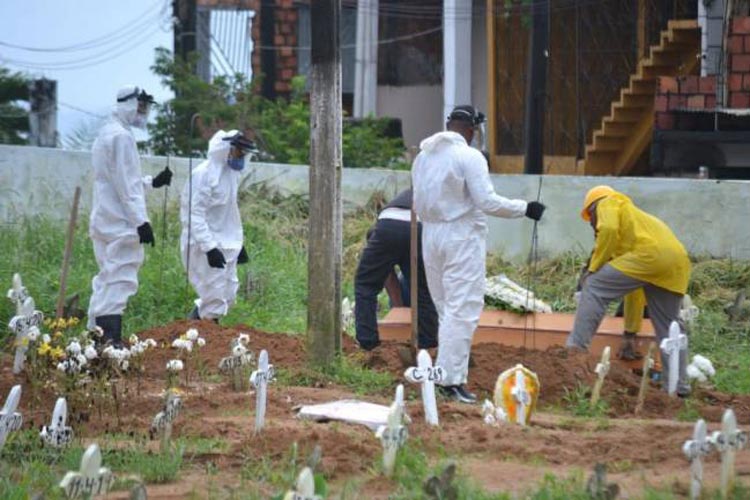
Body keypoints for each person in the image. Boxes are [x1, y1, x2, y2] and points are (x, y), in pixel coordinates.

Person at [412, 105, 546, 403]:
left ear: (449, 124)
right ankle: (450, 382)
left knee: (447, 308)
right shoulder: (469, 156)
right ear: (472, 130)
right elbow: (486, 200)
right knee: (463, 309)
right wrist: (525, 208)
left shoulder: (423, 156)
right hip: (460, 234)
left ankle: (442, 376)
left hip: (430, 235)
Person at [566, 185, 692, 396]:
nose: (594, 226)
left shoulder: (608, 201)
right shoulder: (636, 228)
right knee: (670, 328)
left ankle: (574, 352)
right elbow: (635, 293)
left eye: (591, 219)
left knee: (594, 286)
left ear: (593, 209)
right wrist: (630, 334)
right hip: (676, 263)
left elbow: (607, 230)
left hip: (650, 256)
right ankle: (678, 387)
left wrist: (593, 268)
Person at [87, 85, 172, 345]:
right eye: (141, 106)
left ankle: (95, 338)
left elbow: (122, 180)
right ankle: (109, 341)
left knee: (106, 278)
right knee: (120, 278)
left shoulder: (107, 133)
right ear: (128, 104)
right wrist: (141, 222)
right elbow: (126, 186)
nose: (142, 112)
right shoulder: (121, 137)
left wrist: (151, 182)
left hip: (105, 217)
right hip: (120, 221)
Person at [180, 129, 255, 321]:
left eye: (243, 153)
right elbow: (194, 215)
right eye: (239, 152)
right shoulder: (203, 174)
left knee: (227, 294)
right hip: (202, 243)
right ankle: (202, 342)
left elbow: (229, 212)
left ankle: (196, 329)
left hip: (225, 242)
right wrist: (209, 248)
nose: (241, 157)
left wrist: (239, 243)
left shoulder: (230, 175)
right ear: (225, 149)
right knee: (213, 297)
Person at [354, 188, 438, 351]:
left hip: (390, 224)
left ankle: (367, 344)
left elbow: (380, 276)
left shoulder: (383, 229)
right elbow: (389, 275)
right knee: (423, 290)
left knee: (366, 285)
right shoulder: (442, 192)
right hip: (422, 228)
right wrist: (398, 308)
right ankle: (428, 346)